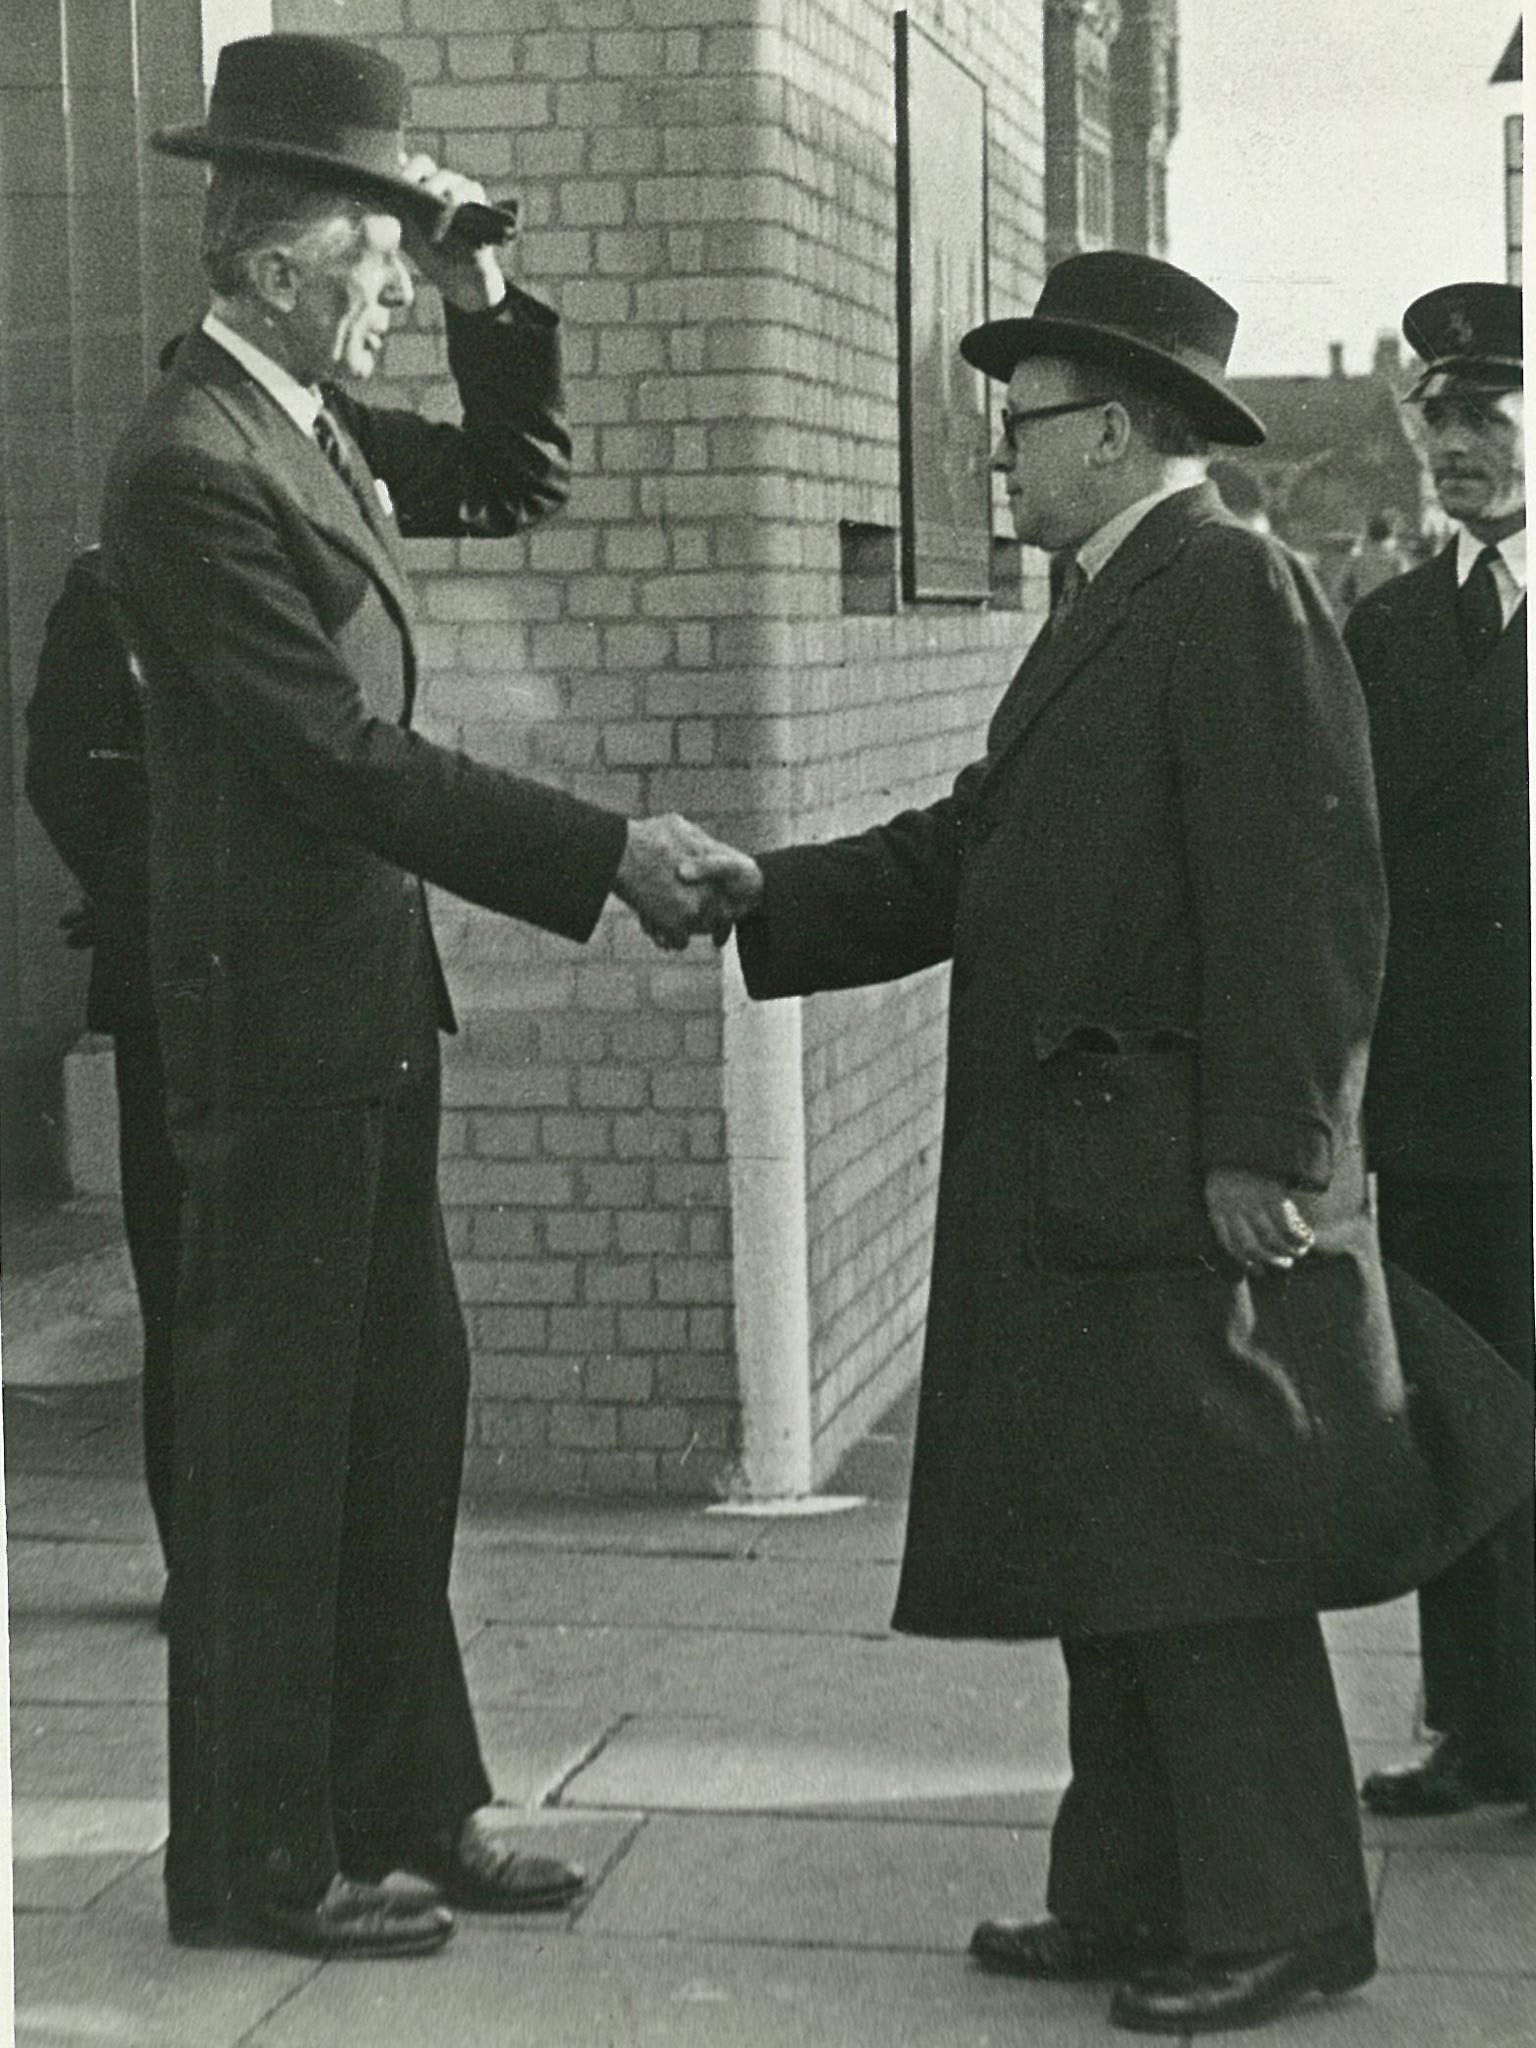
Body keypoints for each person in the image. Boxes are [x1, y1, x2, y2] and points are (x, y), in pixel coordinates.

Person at [682, 252, 1530, 2034]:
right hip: (1088, 1169)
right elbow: (974, 842)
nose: (1002, 451)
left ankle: (1286, 1912)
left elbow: (1311, 889)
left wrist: (1269, 1148)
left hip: (1171, 1172)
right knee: (1120, 1544)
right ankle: (1135, 1887)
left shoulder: (1232, 589)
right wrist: (773, 894)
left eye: (1028, 419)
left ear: (1123, 425)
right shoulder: (1116, 592)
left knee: (1208, 1552)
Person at [100, 33, 724, 1959]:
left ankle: (413, 1797)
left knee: (397, 1422)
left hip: (358, 1013)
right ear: (279, 263)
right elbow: (343, 765)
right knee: (277, 1450)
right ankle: (257, 1863)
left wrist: (479, 284)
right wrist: (599, 850)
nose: (394, 286)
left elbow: (520, 475)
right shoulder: (194, 463)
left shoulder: (303, 418)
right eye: (374, 254)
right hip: (277, 1035)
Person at [1346, 282, 1534, 1820]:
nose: (1458, 444)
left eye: (1490, 411)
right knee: (1461, 1420)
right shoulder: (1390, 627)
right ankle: (1475, 1727)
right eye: (1440, 415)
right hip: (1441, 1106)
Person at [25, 542, 182, 1607]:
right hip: (175, 992)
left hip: (307, 994)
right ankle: (207, 1568)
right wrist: (154, 898)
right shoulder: (113, 581)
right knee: (184, 1288)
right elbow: (64, 773)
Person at [1338, 510, 1412, 610]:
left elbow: (1342, 589)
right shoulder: (1397, 559)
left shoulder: (1357, 559)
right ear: (1390, 535)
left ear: (1370, 536)